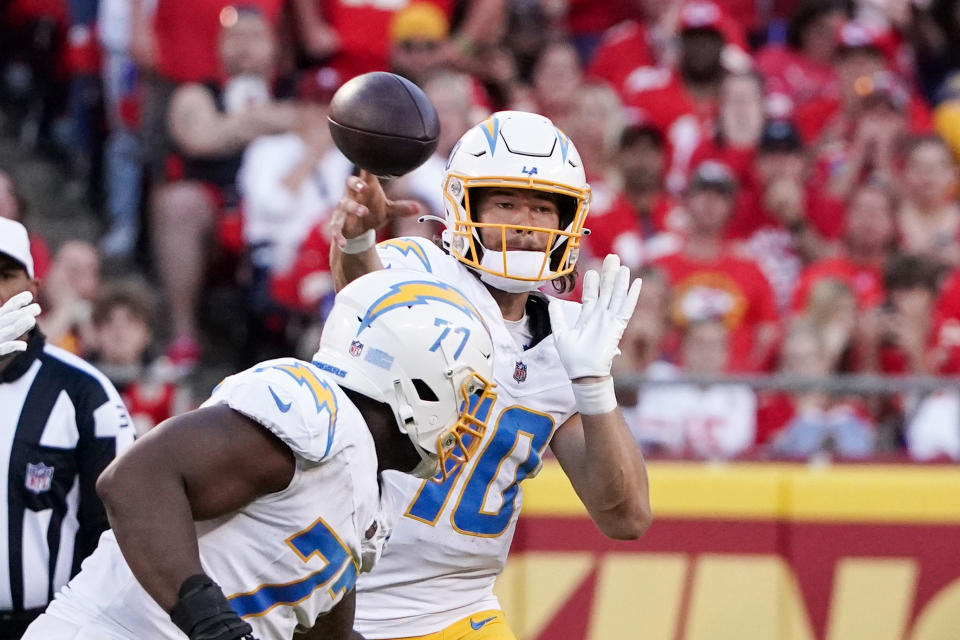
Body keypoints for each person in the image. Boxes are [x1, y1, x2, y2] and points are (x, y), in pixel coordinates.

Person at [24, 268, 498, 640]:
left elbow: (321, 634)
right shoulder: (314, 412)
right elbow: (135, 481)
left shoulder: (371, 492)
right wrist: (211, 622)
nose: (470, 418)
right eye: (466, 394)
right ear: (418, 379)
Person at [328, 110, 652, 639]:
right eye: (505, 202)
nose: (524, 222)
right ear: (463, 206)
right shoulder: (418, 270)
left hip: (457, 609)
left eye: (541, 207)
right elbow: (366, 302)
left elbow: (627, 517)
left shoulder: (569, 337)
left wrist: (594, 386)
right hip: (337, 597)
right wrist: (360, 241)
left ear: (567, 221)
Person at [0, 218, 135, 638]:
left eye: (5, 275)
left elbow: (117, 531)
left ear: (33, 289)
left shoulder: (84, 392)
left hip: (47, 626)